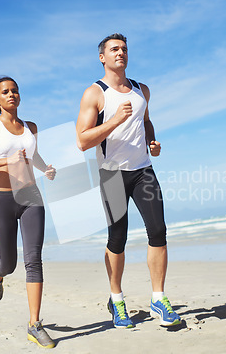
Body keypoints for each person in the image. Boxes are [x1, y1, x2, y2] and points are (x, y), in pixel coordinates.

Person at [76, 33, 181, 328]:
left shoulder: (141, 90)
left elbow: (146, 121)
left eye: (123, 49)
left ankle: (159, 299)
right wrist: (113, 121)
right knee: (117, 239)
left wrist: (152, 141)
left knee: (158, 231)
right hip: (112, 174)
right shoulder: (94, 94)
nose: (120, 52)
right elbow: (82, 141)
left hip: (143, 170)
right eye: (114, 49)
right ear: (102, 57)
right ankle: (117, 299)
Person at [0, 76, 57, 348]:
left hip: (30, 196)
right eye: (5, 91)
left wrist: (44, 169)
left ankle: (34, 325)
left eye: (15, 90)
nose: (11, 94)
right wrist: (6, 160)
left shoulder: (31, 127)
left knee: (34, 260)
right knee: (10, 263)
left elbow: (31, 155)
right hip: (3, 199)